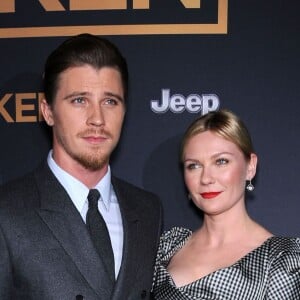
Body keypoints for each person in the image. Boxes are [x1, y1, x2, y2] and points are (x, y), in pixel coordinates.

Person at [0, 33, 162, 300]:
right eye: (79, 100)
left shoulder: (147, 210)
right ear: (48, 111)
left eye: (110, 101)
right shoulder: (7, 212)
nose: (97, 118)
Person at [152, 109, 300, 299]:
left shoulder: (280, 259)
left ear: (250, 166)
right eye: (194, 165)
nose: (206, 178)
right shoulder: (166, 247)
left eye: (221, 161)